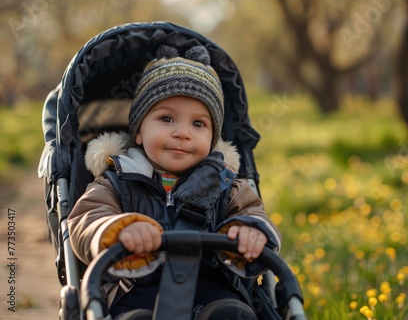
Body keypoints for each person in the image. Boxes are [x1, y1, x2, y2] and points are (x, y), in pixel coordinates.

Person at [68, 44, 281, 319]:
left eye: (198, 124)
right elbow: (86, 219)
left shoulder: (228, 186)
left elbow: (253, 213)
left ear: (212, 139)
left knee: (233, 313)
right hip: (134, 289)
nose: (182, 133)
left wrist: (251, 231)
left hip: (211, 288)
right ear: (140, 132)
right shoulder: (115, 182)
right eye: (166, 119)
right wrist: (117, 230)